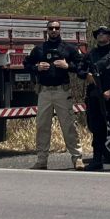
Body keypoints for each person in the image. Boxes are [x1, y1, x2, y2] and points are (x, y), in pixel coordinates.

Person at [23, 20, 85, 170]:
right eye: (51, 28)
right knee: (42, 126)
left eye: (57, 28)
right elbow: (26, 64)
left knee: (68, 125)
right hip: (44, 92)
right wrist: (36, 67)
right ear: (47, 31)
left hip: (62, 92)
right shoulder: (39, 49)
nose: (54, 30)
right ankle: (42, 160)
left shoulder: (68, 48)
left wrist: (68, 66)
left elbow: (82, 65)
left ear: (60, 30)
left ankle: (77, 158)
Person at [79, 26, 110, 171]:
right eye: (99, 33)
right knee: (97, 128)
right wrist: (86, 75)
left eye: (105, 33)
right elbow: (79, 69)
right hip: (95, 97)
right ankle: (97, 159)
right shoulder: (91, 55)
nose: (101, 35)